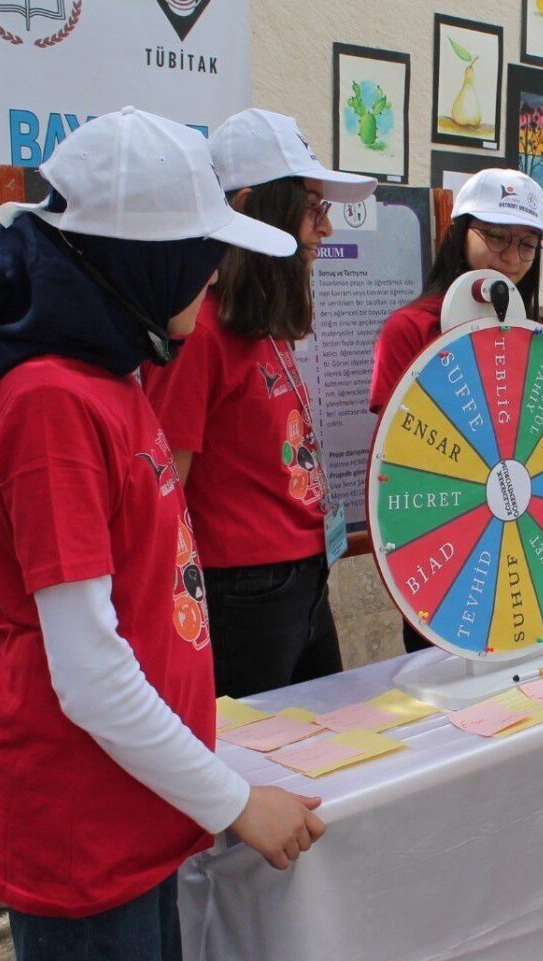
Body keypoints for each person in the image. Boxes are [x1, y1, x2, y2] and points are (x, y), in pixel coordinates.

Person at [0, 107, 325, 961]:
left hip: (140, 819)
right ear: (144, 259)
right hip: (86, 843)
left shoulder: (114, 379)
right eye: (201, 250)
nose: (218, 270)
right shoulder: (51, 406)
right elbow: (89, 672)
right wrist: (236, 802)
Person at [143, 109, 375, 699]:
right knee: (260, 762)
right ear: (249, 207)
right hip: (241, 593)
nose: (325, 229)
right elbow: (165, 491)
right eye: (312, 207)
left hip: (305, 577)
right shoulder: (199, 329)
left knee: (331, 750)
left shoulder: (261, 315)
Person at [369, 167, 543, 652]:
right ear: (459, 232)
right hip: (443, 545)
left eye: (528, 244)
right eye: (496, 237)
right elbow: (400, 458)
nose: (512, 258)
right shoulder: (409, 330)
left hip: (519, 540)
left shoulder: (536, 335)